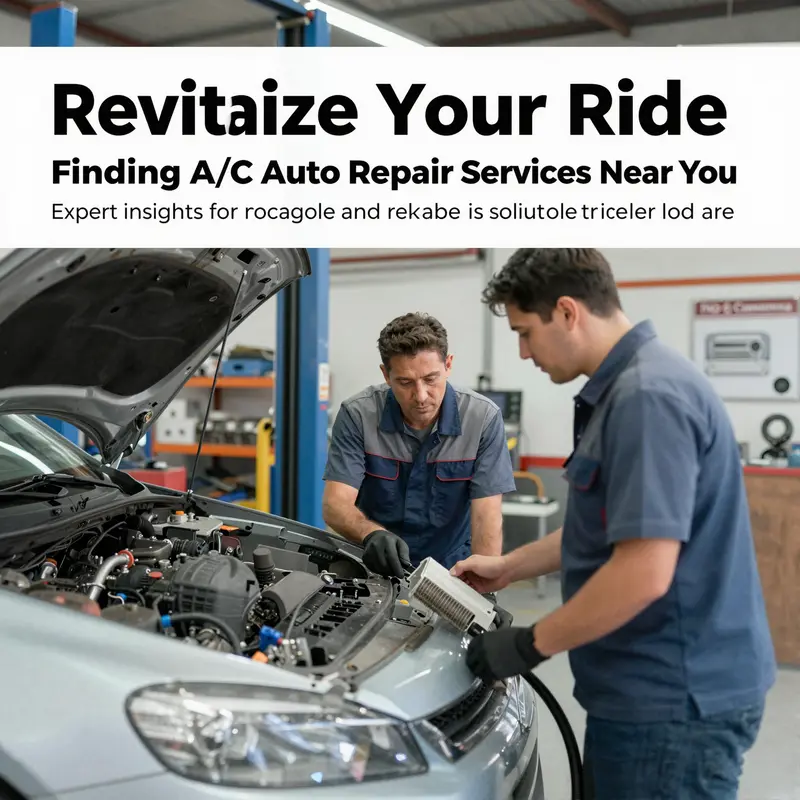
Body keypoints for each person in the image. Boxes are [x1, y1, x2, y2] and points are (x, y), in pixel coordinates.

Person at [451, 249, 776, 800]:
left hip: (673, 703)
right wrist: (507, 567)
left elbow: (644, 572)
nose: (523, 352)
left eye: (526, 332)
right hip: (646, 696)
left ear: (568, 311)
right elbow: (600, 528)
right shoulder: (630, 388)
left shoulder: (646, 398)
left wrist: (530, 644)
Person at [322, 312, 516, 579]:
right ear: (386, 375)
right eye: (405, 382)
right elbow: (335, 504)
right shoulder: (358, 415)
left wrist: (483, 586)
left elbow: (486, 516)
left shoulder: (482, 419)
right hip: (372, 563)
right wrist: (371, 533)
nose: (421, 396)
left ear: (448, 365)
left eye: (431, 379)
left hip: (451, 570)